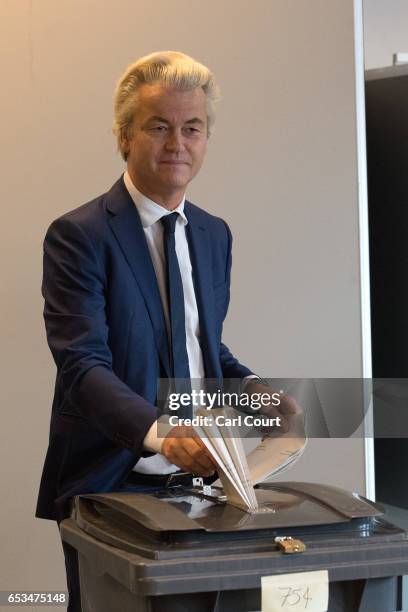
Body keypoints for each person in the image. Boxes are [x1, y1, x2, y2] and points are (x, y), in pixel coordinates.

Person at [35, 51, 294, 611]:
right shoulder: (78, 236)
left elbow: (201, 349)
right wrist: (163, 434)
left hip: (206, 490)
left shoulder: (213, 234)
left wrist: (253, 391)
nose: (177, 142)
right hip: (112, 489)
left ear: (205, 139)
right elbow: (82, 366)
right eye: (158, 126)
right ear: (124, 136)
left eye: (192, 128)